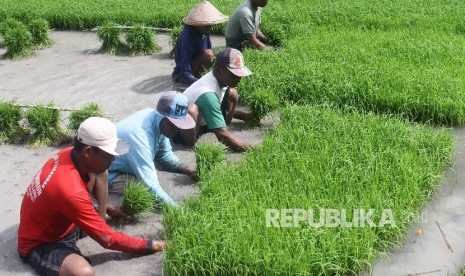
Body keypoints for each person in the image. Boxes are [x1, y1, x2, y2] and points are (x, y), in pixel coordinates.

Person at [18, 117, 165, 276]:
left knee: (102, 171)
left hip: (64, 219)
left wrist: (104, 208)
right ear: (88, 152)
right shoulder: (70, 191)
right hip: (42, 242)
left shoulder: (67, 154)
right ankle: (94, 226)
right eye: (108, 154)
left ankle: (99, 220)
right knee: (83, 273)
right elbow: (108, 240)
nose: (113, 159)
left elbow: (69, 199)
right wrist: (153, 245)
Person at [108, 91, 197, 207]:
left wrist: (189, 171)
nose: (177, 130)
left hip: (125, 161)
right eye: (174, 125)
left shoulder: (154, 118)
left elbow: (164, 156)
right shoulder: (140, 138)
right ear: (164, 119)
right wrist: (180, 212)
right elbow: (150, 184)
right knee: (139, 191)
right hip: (106, 171)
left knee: (150, 177)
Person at [175, 47, 254, 152]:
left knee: (232, 93)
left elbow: (215, 106)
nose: (238, 78)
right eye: (233, 75)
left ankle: (216, 124)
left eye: (239, 74)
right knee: (192, 110)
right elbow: (222, 136)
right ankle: (190, 144)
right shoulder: (208, 93)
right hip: (180, 130)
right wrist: (254, 149)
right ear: (218, 70)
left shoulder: (220, 79)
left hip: (203, 119)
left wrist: (245, 116)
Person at [172, 0, 228, 86]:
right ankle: (196, 79)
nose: (210, 27)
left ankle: (201, 76)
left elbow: (210, 53)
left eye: (210, 24)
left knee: (213, 55)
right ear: (198, 23)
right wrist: (200, 85)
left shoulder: (205, 31)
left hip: (197, 66)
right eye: (207, 25)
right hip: (182, 73)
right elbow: (185, 70)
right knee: (208, 54)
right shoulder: (187, 37)